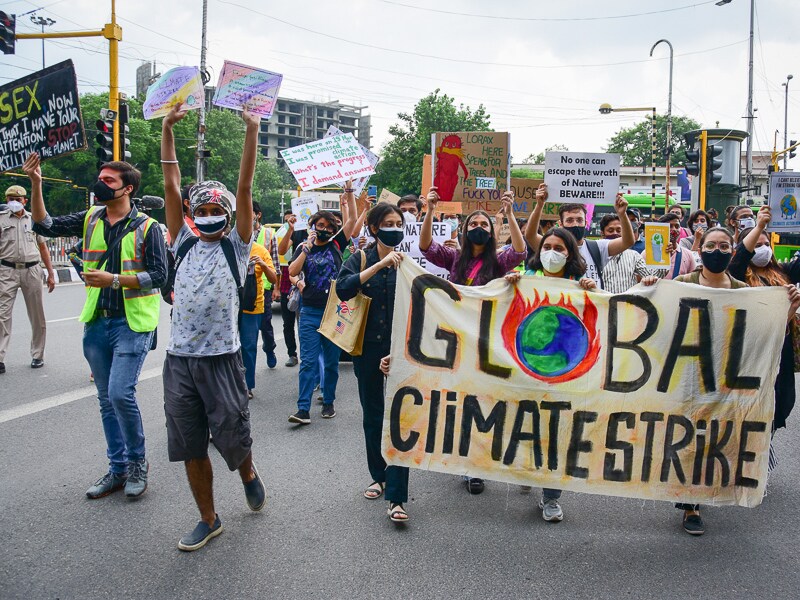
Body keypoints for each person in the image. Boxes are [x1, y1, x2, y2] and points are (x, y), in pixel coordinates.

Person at [641, 225, 800, 536]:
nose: (717, 251)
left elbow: (764, 336)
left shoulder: (744, 291)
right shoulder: (682, 283)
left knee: (718, 435)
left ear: (734, 251)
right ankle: (690, 504)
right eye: (711, 245)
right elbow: (660, 320)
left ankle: (709, 488)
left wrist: (790, 308)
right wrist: (651, 288)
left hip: (728, 377)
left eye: (725, 246)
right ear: (701, 251)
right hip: (688, 372)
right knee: (690, 435)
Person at [29, 153, 167, 500]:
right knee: (106, 400)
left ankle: (138, 464)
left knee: (121, 394)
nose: (99, 184)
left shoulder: (149, 228)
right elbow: (45, 225)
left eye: (108, 181)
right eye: (100, 178)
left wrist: (115, 280)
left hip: (132, 324)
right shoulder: (91, 217)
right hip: (96, 323)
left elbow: (161, 277)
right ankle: (117, 468)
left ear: (128, 189)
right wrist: (36, 183)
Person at [161, 105, 266, 551]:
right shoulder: (181, 239)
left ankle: (247, 469)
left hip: (222, 360)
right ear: (190, 213)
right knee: (191, 444)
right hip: (179, 361)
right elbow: (170, 183)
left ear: (226, 213)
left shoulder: (237, 247)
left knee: (232, 437)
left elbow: (244, 185)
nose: (207, 214)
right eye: (199, 208)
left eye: (215, 208)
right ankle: (208, 518)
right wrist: (166, 129)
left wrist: (252, 131)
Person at [420, 186, 526, 494]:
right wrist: (429, 209)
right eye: (473, 226)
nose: (478, 229)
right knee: (463, 402)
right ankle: (468, 466)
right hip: (457, 342)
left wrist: (510, 215)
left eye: (484, 226)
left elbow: (520, 251)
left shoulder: (500, 262)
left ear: (493, 233)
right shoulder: (454, 259)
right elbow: (426, 246)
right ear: (464, 232)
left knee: (487, 400)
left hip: (490, 342)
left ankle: (483, 458)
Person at [505, 228, 597, 522]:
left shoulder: (579, 286)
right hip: (526, 374)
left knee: (558, 435)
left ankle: (551, 497)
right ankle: (530, 468)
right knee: (528, 427)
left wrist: (592, 291)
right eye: (547, 246)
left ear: (570, 254)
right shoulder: (525, 280)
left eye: (560, 247)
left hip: (565, 376)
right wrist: (508, 286)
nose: (552, 252)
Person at [336, 203, 411, 523]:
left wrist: (400, 351)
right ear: (375, 227)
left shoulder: (409, 264)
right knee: (373, 415)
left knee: (399, 420)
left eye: (399, 222)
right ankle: (378, 476)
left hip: (399, 352)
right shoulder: (362, 258)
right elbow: (343, 288)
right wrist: (380, 265)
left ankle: (397, 497)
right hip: (366, 349)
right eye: (388, 222)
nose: (394, 227)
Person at [728, 206, 800, 436]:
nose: (763, 249)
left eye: (766, 244)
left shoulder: (782, 272)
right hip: (751, 351)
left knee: (782, 399)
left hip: (780, 350)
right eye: (756, 245)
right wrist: (758, 226)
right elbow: (738, 260)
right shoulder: (737, 275)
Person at [287, 210, 345, 424]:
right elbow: (292, 270)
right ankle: (303, 409)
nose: (325, 230)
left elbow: (352, 224)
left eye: (329, 227)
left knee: (331, 362)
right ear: (312, 226)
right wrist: (306, 249)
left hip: (333, 312)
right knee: (308, 362)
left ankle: (328, 401)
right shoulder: (304, 247)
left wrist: (349, 195)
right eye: (320, 225)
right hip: (309, 312)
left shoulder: (336, 244)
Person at [525, 184, 634, 289]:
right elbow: (530, 235)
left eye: (579, 220)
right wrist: (539, 205)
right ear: (561, 224)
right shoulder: (553, 245)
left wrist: (622, 214)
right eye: (569, 220)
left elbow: (627, 241)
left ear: (586, 222)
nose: (575, 224)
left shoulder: (597, 247)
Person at [0, 182, 56, 374]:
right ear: (6, 200)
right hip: (6, 270)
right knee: (2, 315)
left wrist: (50, 273)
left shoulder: (34, 220)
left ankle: (37, 355)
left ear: (25, 201)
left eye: (17, 199)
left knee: (37, 315)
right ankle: (0, 357)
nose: (14, 202)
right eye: (10, 199)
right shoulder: (0, 219)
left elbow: (43, 248)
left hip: (32, 270)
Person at [241, 211, 277, 398]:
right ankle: (230, 382)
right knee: (230, 347)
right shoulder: (229, 247)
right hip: (230, 306)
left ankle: (247, 386)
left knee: (248, 346)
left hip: (253, 306)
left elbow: (273, 277)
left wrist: (262, 264)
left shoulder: (260, 250)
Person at [252, 202, 280, 369]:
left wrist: (276, 288)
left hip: (265, 288)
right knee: (247, 329)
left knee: (265, 324)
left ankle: (269, 349)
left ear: (258, 214)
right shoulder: (237, 234)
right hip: (245, 289)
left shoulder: (269, 234)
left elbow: (275, 263)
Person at [597, 213, 649, 293]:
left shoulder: (634, 256)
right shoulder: (594, 253)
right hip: (601, 303)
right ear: (602, 233)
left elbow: (649, 277)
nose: (615, 233)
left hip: (627, 304)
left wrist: (663, 257)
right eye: (610, 231)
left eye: (619, 230)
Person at [275, 210, 300, 366]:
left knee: (307, 323)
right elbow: (281, 250)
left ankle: (310, 356)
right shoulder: (294, 232)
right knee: (288, 321)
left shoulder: (317, 233)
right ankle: (292, 354)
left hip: (308, 282)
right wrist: (290, 229)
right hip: (288, 278)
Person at [649, 213, 695, 280]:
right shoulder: (648, 253)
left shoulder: (688, 254)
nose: (674, 230)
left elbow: (692, 280)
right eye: (670, 226)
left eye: (677, 226)